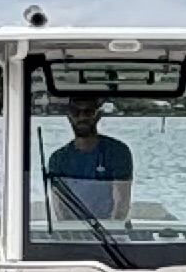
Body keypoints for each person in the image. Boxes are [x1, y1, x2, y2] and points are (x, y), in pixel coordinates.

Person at [43, 94, 133, 223]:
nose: (82, 117)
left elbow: (121, 204)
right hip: (74, 235)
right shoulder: (58, 159)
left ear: (98, 116)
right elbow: (61, 209)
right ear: (69, 117)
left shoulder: (118, 152)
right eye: (76, 112)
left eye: (88, 112)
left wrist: (111, 234)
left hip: (111, 235)